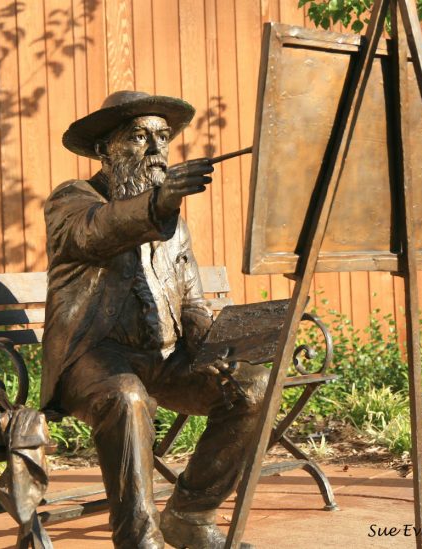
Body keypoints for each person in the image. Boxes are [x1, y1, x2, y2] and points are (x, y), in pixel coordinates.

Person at [40, 90, 266, 549]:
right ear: (105, 149)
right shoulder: (72, 200)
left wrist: (212, 343)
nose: (156, 148)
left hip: (165, 360)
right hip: (94, 361)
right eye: (139, 136)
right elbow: (95, 232)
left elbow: (191, 299)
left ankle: (190, 514)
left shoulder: (172, 219)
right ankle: (138, 539)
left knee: (253, 385)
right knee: (127, 398)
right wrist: (158, 203)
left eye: (163, 137)